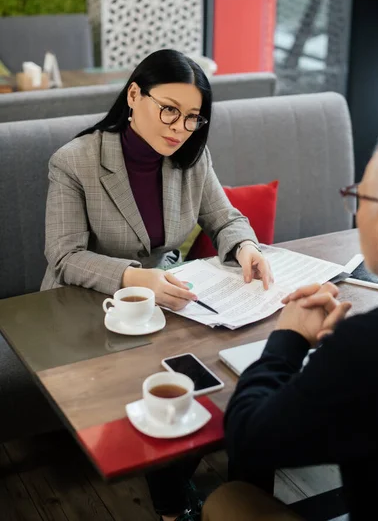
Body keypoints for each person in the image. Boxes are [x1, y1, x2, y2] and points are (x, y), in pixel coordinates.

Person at [41, 49, 273, 521]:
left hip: (165, 301)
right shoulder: (75, 162)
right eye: (169, 109)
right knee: (166, 389)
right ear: (133, 95)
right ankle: (173, 501)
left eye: (192, 118)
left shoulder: (190, 157)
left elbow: (224, 216)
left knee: (227, 378)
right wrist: (132, 276)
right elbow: (63, 256)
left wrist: (246, 247)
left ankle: (211, 493)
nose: (179, 127)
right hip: (89, 306)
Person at [202, 131, 378, 521]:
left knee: (226, 501)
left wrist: (288, 339)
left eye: (359, 198)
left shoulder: (370, 346)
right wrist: (335, 363)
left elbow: (248, 440)